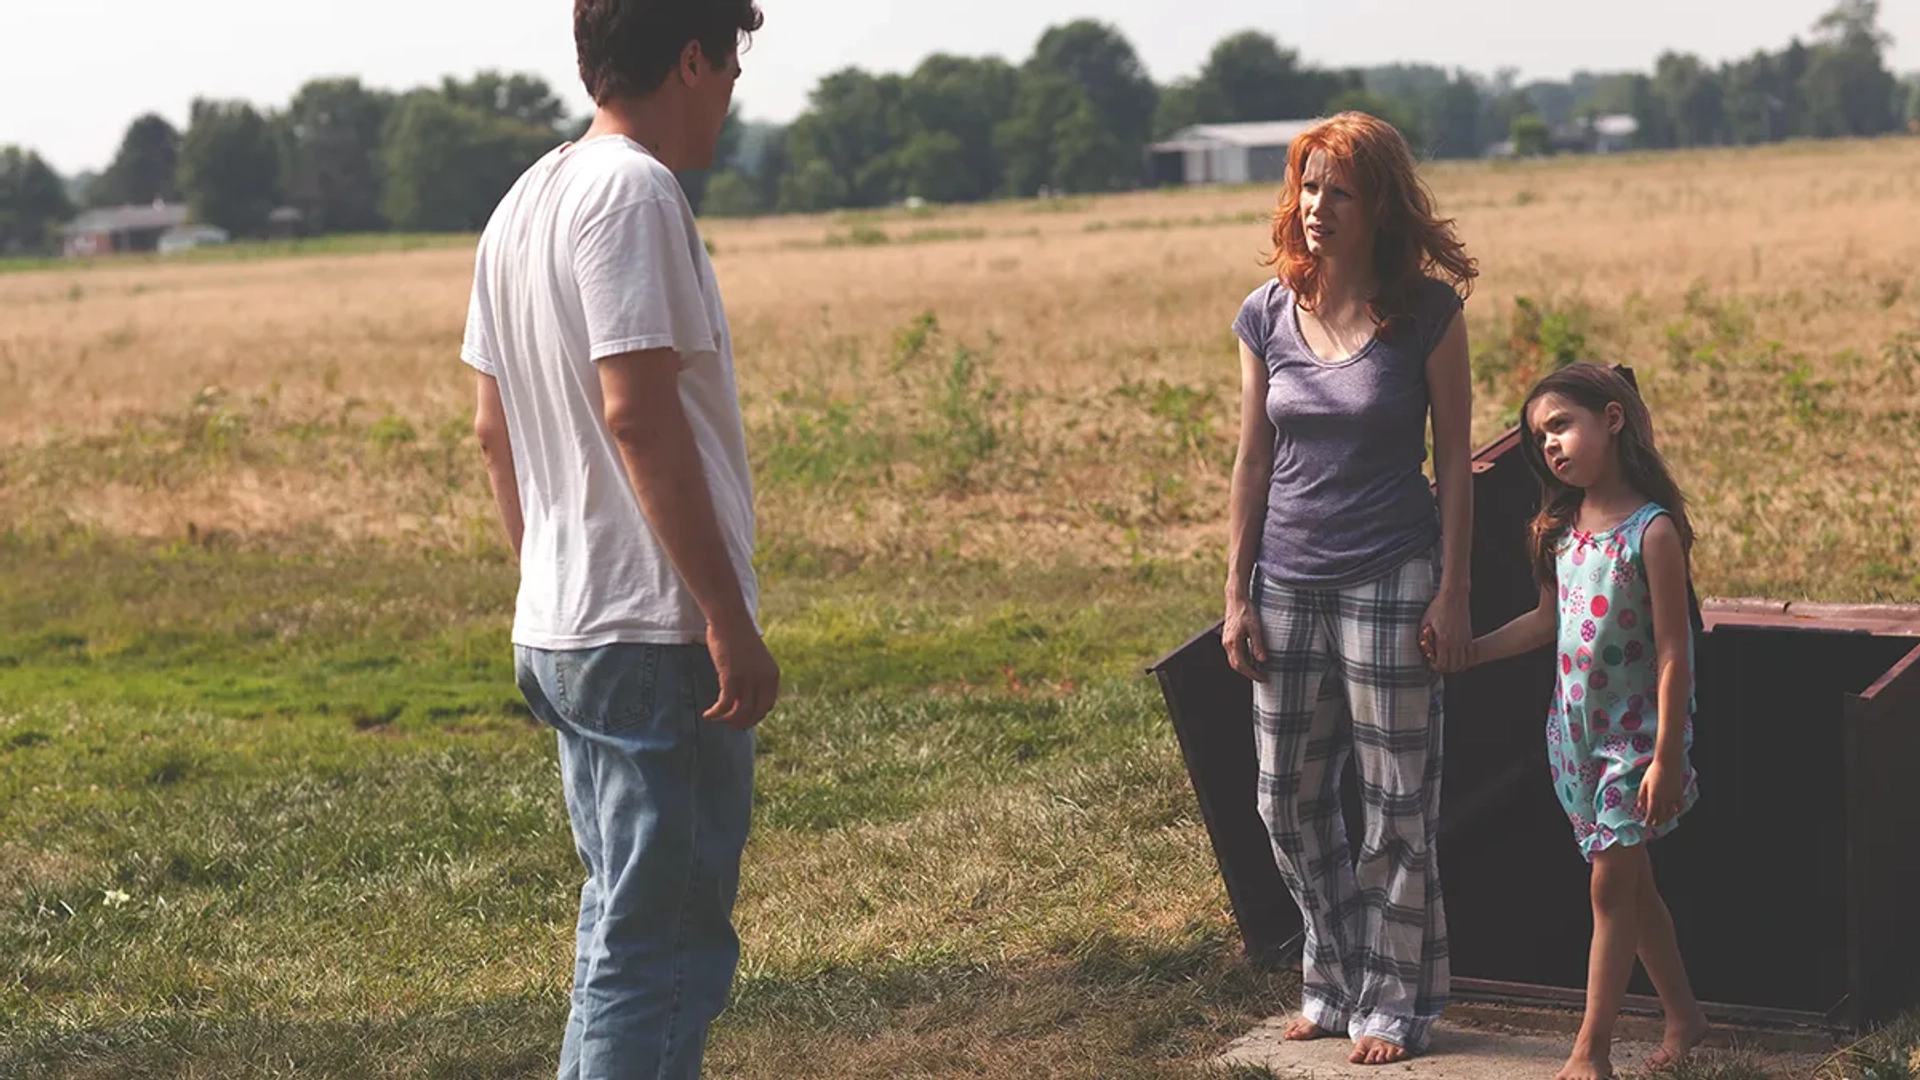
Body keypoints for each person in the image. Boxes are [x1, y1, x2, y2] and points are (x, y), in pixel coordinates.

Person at [463, 2, 778, 1077]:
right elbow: (636, 413)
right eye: (730, 65)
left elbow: (490, 432)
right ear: (691, 60)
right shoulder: (635, 190)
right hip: (652, 635)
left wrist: (549, 581)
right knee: (660, 954)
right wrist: (725, 619)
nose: (734, 93)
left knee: (621, 940)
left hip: (565, 624)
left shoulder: (521, 201)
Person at [1220, 111, 1477, 1066]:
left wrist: (1451, 591)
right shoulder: (1264, 313)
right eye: (1309, 186)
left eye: (1342, 190)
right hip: (1286, 582)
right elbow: (1253, 461)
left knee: (1396, 804)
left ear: (1380, 207)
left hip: (1393, 579)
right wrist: (1237, 592)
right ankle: (1330, 972)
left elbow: (1453, 463)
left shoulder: (1428, 317)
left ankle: (1391, 1003)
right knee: (1283, 797)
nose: (1318, 207)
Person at [1444, 364, 1709, 1080]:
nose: (1551, 446)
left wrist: (1662, 757)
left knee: (1607, 887)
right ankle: (1685, 1017)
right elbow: (1547, 622)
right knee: (1630, 884)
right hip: (1574, 740)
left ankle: (1589, 1052)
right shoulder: (1561, 528)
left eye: (1561, 425)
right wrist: (1473, 653)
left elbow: (1675, 647)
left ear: (1613, 418)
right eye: (1540, 438)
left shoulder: (1652, 532)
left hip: (1635, 743)